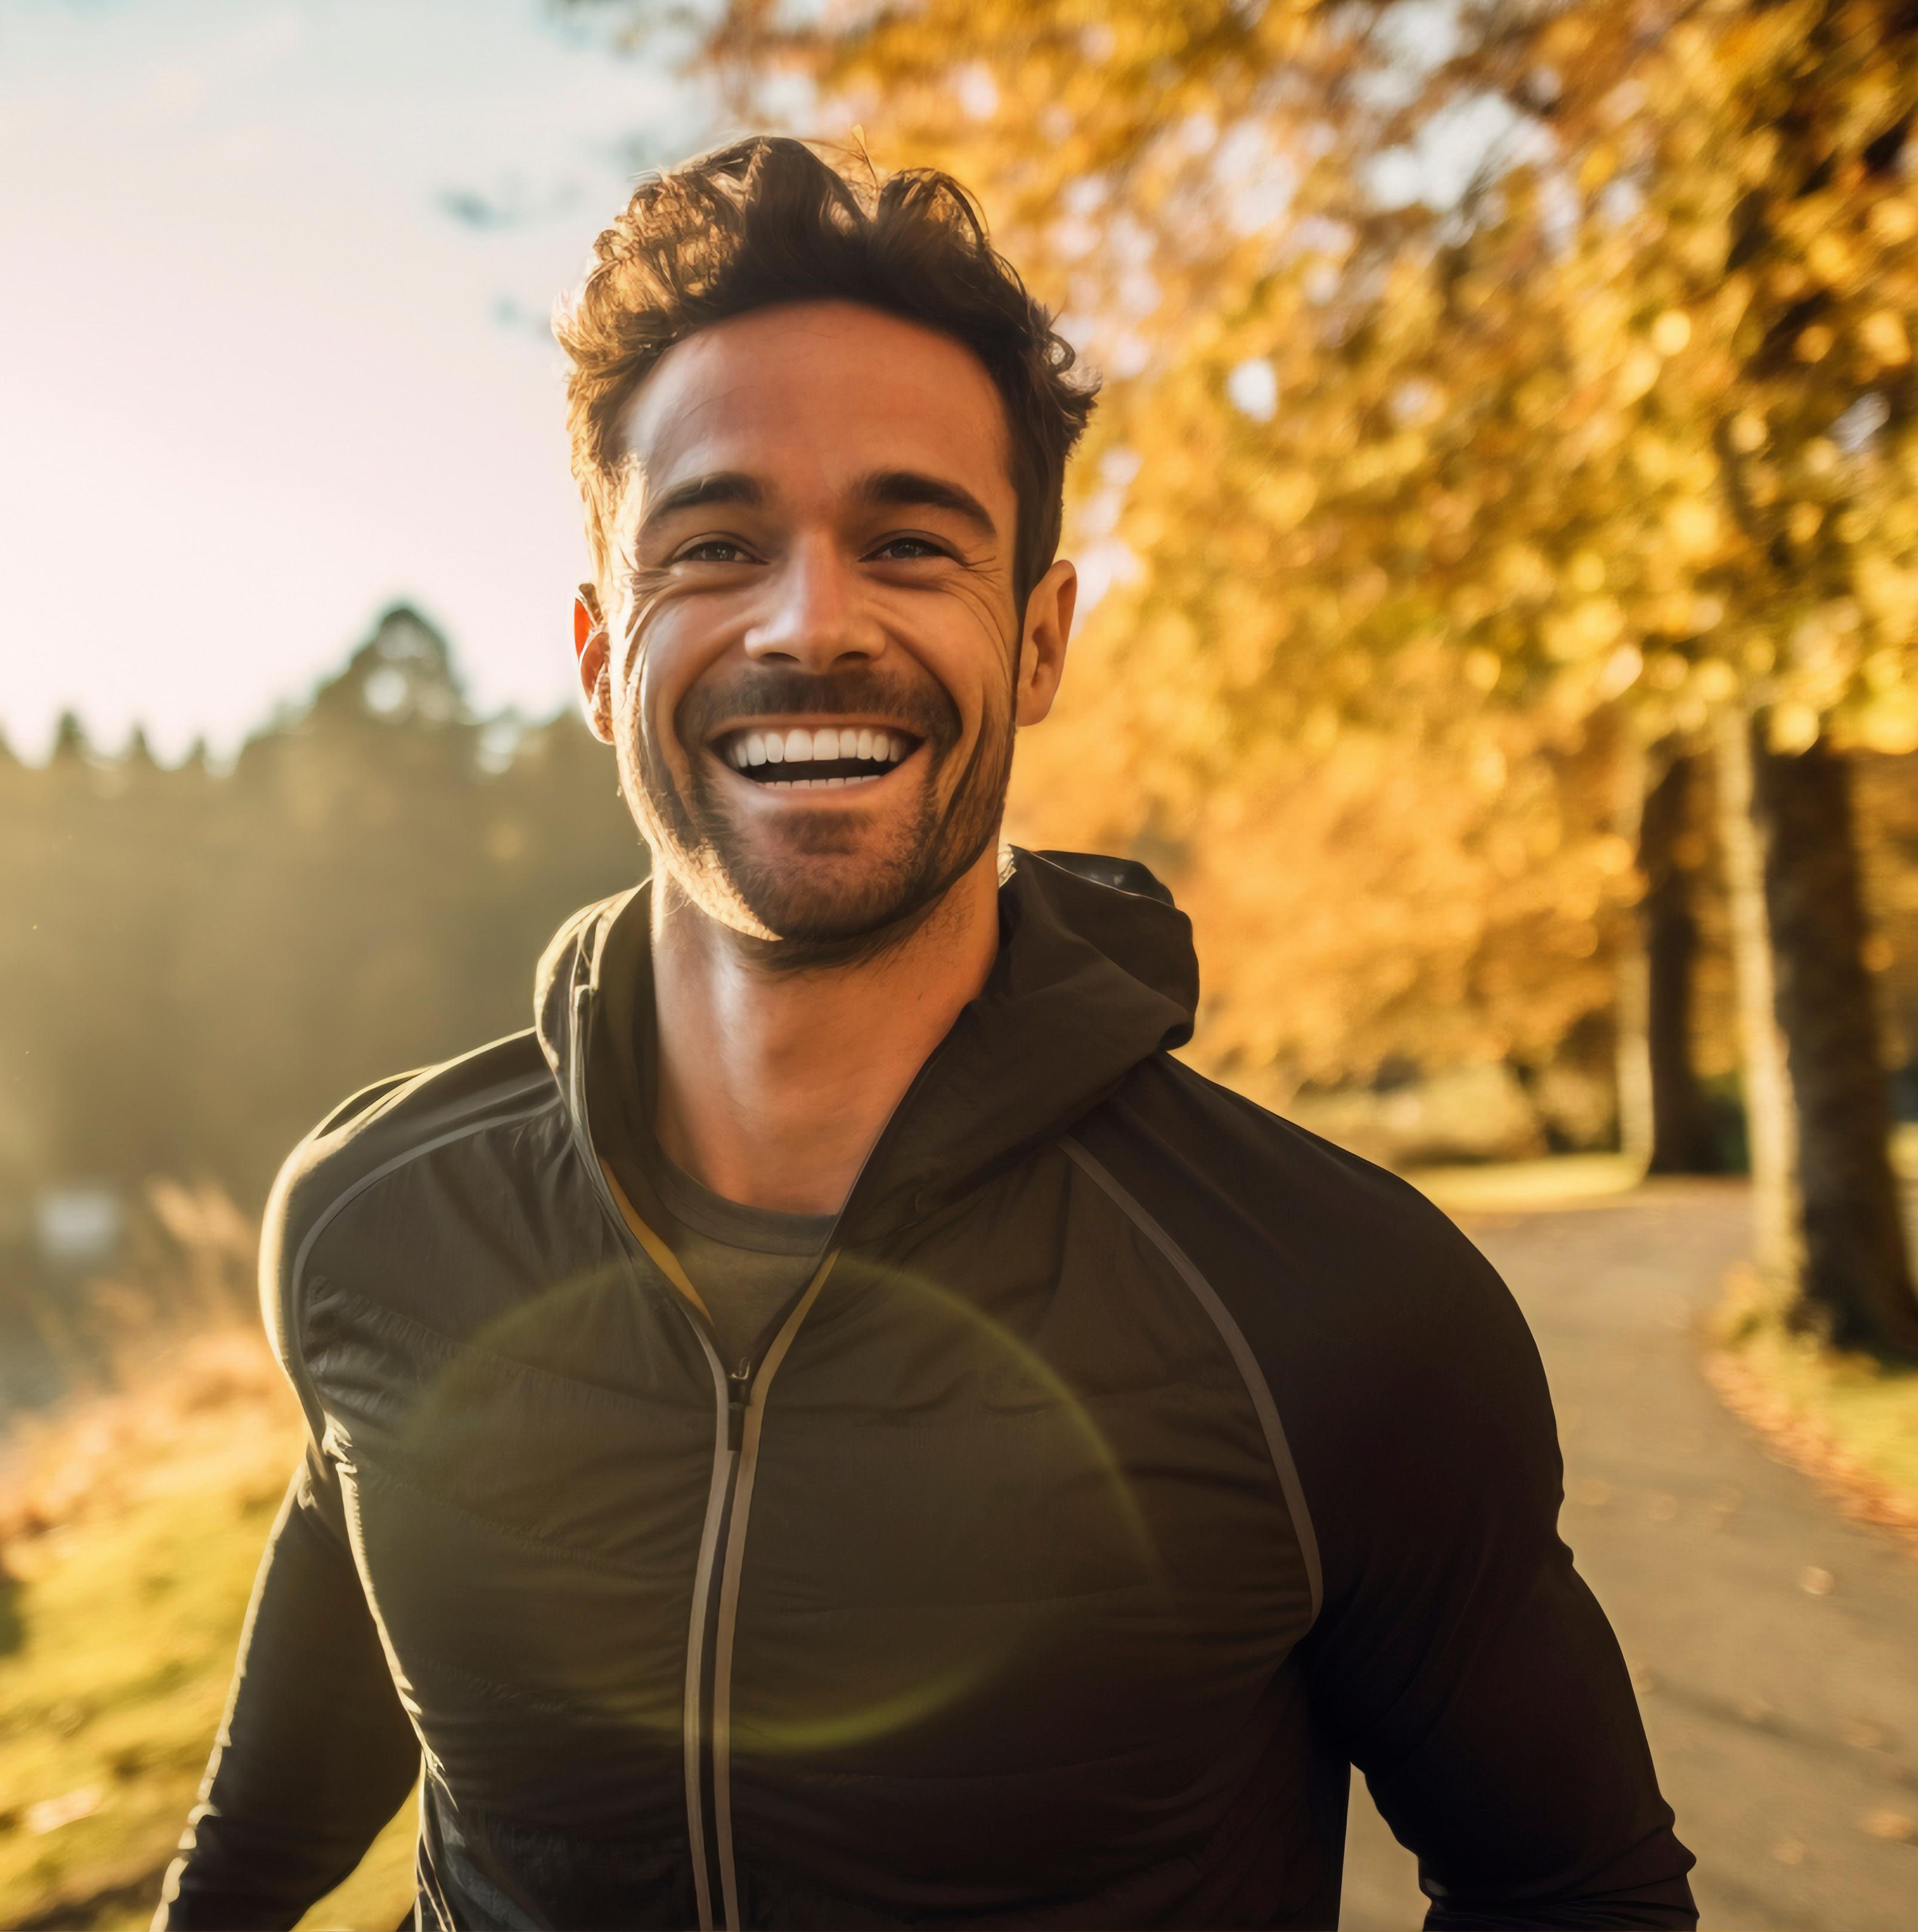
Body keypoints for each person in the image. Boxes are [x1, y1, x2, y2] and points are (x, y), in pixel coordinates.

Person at [155, 137, 1695, 1931]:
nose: (812, 624)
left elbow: (1575, 1892)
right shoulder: (375, 1222)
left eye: (909, 542)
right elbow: (291, 1799)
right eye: (716, 544)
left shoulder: (1337, 1317)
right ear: (596, 653)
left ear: (1039, 643)